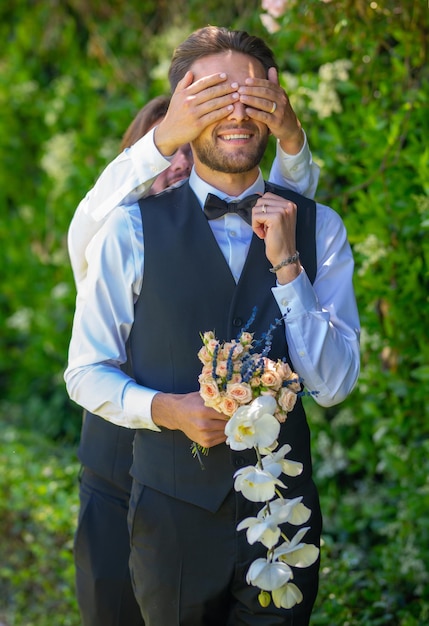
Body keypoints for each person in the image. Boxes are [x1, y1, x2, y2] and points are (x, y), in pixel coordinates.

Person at [65, 25, 360, 625]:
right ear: (180, 114)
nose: (236, 113)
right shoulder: (128, 228)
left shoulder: (319, 228)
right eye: (214, 97)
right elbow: (84, 370)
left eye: (252, 97)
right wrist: (165, 410)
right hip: (167, 516)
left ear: (275, 107)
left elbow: (333, 386)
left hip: (286, 523)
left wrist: (287, 266)